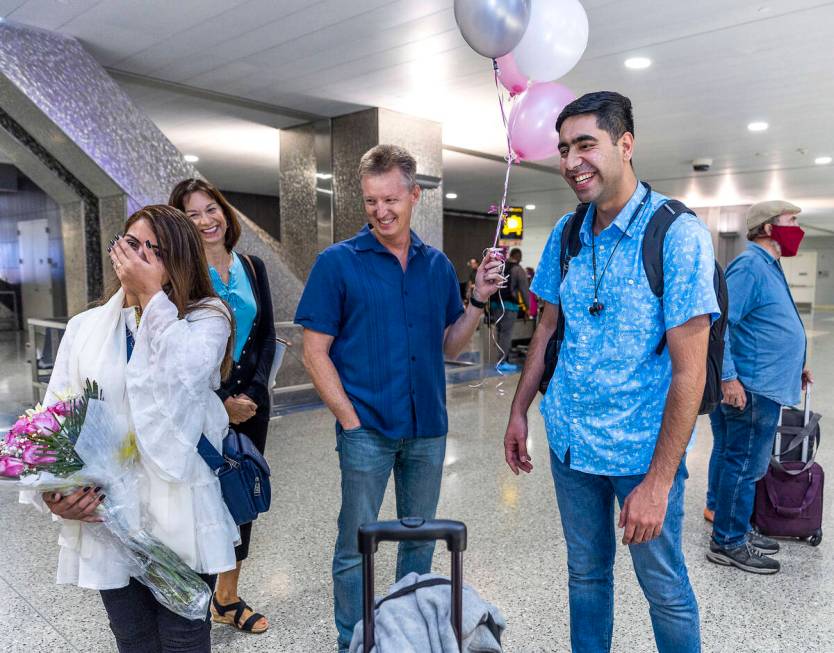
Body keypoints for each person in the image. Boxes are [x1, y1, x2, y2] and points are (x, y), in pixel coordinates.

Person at [503, 91, 719, 653]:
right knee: (586, 577)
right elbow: (548, 329)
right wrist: (519, 411)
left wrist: (660, 482)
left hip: (641, 455)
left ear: (625, 145)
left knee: (665, 588)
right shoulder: (569, 234)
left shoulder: (676, 235)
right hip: (572, 446)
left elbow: (689, 373)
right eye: (563, 148)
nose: (572, 160)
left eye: (586, 144)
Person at [294, 144, 503, 652]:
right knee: (355, 544)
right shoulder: (337, 263)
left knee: (420, 539)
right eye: (370, 201)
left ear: (414, 196)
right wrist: (348, 421)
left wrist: (476, 300)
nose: (381, 211)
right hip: (366, 429)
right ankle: (353, 641)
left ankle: (410, 635)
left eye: (391, 199)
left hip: (428, 427)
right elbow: (313, 353)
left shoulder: (435, 267)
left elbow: (449, 344)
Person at [25, 205, 239, 652]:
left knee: (183, 636)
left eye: (153, 250)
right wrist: (55, 493)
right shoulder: (85, 327)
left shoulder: (205, 318)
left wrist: (152, 298)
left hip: (178, 505)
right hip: (110, 514)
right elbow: (57, 413)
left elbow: (185, 374)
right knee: (133, 638)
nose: (136, 256)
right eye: (131, 243)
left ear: (177, 259)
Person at [169, 178, 275, 633]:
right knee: (200, 497)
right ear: (180, 224)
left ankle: (227, 599)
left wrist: (250, 394)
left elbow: (267, 335)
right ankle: (190, 596)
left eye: (211, 209)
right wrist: (220, 405)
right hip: (201, 407)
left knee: (240, 492)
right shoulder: (178, 275)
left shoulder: (251, 266)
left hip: (252, 403)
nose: (206, 220)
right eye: (192, 214)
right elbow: (175, 355)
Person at [705, 200, 812, 574]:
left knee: (745, 461)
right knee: (743, 464)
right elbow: (720, 321)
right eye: (791, 221)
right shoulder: (750, 265)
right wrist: (728, 377)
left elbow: (767, 323)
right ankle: (728, 541)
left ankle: (739, 528)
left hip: (764, 382)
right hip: (750, 386)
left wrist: (797, 364)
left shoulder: (769, 266)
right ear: (768, 227)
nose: (797, 227)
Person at [490, 247, 530, 372]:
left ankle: (500, 359)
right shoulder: (518, 270)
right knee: (506, 334)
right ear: (518, 257)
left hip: (496, 305)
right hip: (509, 306)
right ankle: (503, 362)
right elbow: (524, 290)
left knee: (500, 332)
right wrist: (527, 308)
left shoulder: (501, 267)